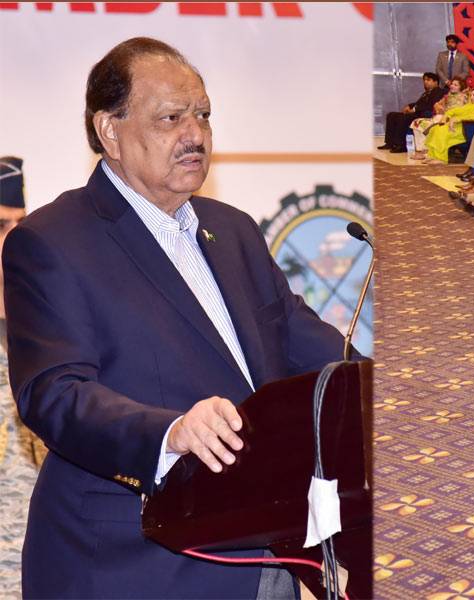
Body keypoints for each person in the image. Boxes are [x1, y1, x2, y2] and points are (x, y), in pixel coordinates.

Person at [4, 37, 360, 599]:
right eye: (171, 117)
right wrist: (170, 433)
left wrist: (385, 392)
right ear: (110, 130)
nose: (195, 134)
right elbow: (54, 393)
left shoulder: (234, 229)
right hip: (134, 561)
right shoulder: (51, 240)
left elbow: (308, 346)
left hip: (269, 547)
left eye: (203, 115)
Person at [0, 157, 44, 599]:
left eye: (20, 223)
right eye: (0, 225)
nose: (12, 238)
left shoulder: (53, 330)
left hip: (52, 571)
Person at [424, 88, 474, 164]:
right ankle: (432, 155)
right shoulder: (469, 106)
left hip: (470, 130)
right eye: (470, 95)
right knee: (435, 129)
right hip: (462, 127)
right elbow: (453, 111)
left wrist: (457, 119)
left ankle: (440, 158)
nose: (471, 97)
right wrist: (446, 116)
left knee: (442, 132)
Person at [379, 72, 446, 153]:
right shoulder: (426, 93)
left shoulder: (438, 92)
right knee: (391, 115)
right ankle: (389, 143)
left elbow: (430, 105)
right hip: (417, 112)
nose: (425, 82)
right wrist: (410, 106)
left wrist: (414, 110)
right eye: (424, 80)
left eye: (428, 80)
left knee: (403, 118)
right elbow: (419, 103)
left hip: (424, 113)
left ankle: (401, 145)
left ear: (435, 82)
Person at [409, 77, 467, 159]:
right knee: (417, 122)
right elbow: (436, 105)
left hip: (451, 121)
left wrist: (445, 111)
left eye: (455, 85)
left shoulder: (463, 97)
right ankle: (421, 150)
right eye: (452, 84)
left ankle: (428, 153)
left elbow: (460, 111)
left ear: (461, 87)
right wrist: (438, 107)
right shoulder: (447, 96)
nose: (452, 86)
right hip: (440, 117)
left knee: (430, 126)